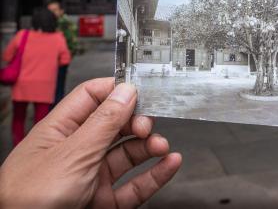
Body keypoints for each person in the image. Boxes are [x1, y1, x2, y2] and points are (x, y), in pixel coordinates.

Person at [0, 79, 182, 207]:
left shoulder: (25, 37)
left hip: (22, 88)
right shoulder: (55, 38)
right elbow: (63, 57)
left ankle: (20, 142)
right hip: (45, 87)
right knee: (42, 115)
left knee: (20, 119)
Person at [2, 7, 71, 146]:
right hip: (45, 86)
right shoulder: (58, 38)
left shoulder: (23, 35)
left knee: (18, 118)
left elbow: (7, 56)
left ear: (34, 21)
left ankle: (18, 145)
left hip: (22, 84)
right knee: (41, 120)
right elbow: (65, 60)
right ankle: (36, 147)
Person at [47, 1, 78, 106]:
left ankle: (56, 108)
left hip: (60, 61)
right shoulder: (47, 23)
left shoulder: (65, 23)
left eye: (55, 10)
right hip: (48, 61)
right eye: (49, 10)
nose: (52, 13)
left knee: (58, 86)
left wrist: (66, 57)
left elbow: (73, 44)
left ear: (61, 11)